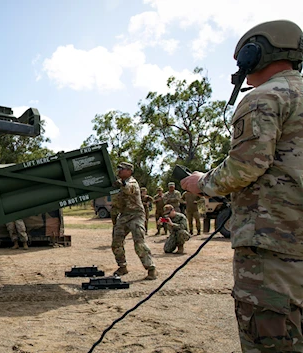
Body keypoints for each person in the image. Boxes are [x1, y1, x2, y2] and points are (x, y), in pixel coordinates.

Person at [181, 20, 303, 352]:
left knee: (271, 338)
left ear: (255, 54)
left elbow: (245, 166)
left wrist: (201, 183)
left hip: (274, 246)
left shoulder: (265, 97)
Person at [111, 162, 157, 280]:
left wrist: (120, 184)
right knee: (116, 242)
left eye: (122, 169)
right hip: (124, 215)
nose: (119, 171)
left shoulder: (132, 182)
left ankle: (151, 269)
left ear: (129, 171)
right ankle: (122, 266)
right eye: (119, 169)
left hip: (136, 215)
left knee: (139, 242)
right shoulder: (120, 184)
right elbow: (116, 202)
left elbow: (128, 189)